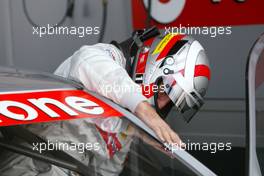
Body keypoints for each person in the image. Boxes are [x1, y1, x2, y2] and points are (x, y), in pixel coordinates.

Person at [0, 28, 210, 176]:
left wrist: (140, 128)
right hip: (34, 160)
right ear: (156, 65)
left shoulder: (129, 117)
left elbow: (107, 168)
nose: (162, 106)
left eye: (170, 104)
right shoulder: (109, 58)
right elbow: (87, 60)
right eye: (165, 93)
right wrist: (145, 112)